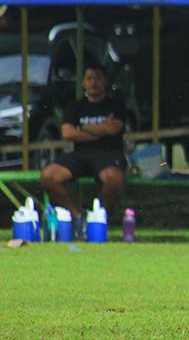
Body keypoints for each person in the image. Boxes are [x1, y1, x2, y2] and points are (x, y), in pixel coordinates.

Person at [41, 63, 127, 237]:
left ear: (105, 81)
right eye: (89, 78)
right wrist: (102, 130)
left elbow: (114, 129)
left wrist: (84, 128)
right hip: (80, 155)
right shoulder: (75, 106)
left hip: (109, 154)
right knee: (48, 175)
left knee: (115, 179)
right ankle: (79, 217)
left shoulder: (115, 104)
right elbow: (67, 133)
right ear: (83, 83)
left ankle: (99, 218)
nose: (93, 82)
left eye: (97, 78)